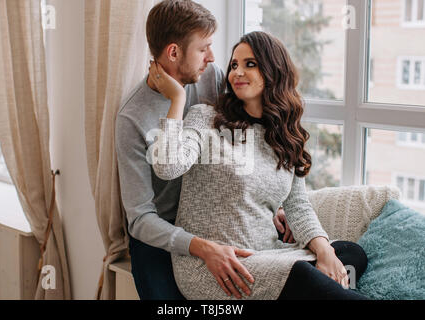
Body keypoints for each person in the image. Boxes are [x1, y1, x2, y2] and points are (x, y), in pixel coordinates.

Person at [149, 31, 369, 300]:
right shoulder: (206, 117)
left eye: (249, 64)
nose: (237, 72)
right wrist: (177, 100)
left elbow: (298, 206)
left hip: (267, 253)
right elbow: (167, 166)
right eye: (234, 65)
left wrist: (325, 252)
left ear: (273, 70)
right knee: (307, 276)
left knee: (348, 253)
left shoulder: (286, 135)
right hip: (216, 266)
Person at [115, 0, 289, 300]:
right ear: (173, 52)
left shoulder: (211, 78)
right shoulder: (131, 118)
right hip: (163, 235)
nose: (211, 57)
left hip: (216, 217)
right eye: (203, 48)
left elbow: (245, 142)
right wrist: (202, 247)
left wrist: (271, 200)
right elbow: (140, 218)